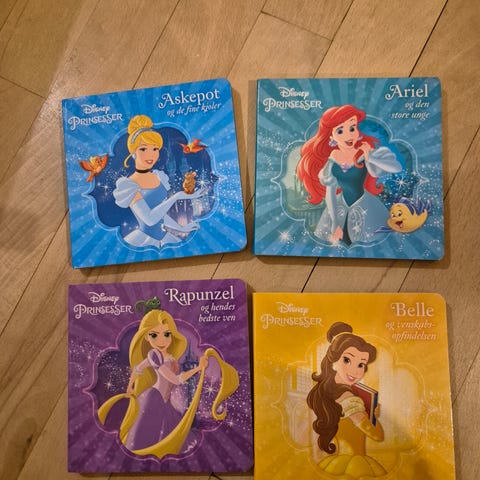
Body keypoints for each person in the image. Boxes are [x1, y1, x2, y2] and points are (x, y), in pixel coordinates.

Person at [98, 304, 239, 459]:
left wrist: (131, 385)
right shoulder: (154, 356)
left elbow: (138, 369)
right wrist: (198, 368)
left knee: (167, 438)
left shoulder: (170, 357)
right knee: (143, 439)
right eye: (154, 335)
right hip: (152, 398)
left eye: (166, 334)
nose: (161, 340)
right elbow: (175, 380)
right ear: (146, 337)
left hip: (164, 402)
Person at [296, 105, 402, 245]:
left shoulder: (363, 152)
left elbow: (396, 167)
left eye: (352, 128)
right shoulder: (333, 157)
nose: (349, 135)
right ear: (331, 136)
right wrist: (334, 223)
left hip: (365, 206)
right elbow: (330, 192)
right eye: (340, 131)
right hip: (339, 207)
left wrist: (370, 157)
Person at [307, 322, 386, 478]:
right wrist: (373, 418)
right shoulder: (349, 398)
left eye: (361, 364)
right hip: (355, 463)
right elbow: (377, 435)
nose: (355, 371)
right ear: (333, 362)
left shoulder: (327, 393)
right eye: (347, 360)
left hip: (337, 461)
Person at [113, 115, 203, 248]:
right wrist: (177, 196)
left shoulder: (157, 176)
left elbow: (160, 215)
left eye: (155, 149)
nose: (151, 154)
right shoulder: (129, 185)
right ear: (133, 153)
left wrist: (181, 228)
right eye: (143, 149)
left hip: (164, 237)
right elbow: (149, 219)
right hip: (143, 239)